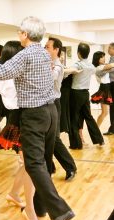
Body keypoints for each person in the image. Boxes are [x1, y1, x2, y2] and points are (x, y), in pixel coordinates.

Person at [0, 16, 75, 220]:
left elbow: (1, 71)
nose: (18, 34)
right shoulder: (42, 53)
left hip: (34, 114)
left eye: (20, 31)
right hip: (50, 111)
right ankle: (40, 208)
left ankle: (59, 210)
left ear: (25, 34)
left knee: (34, 163)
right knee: (43, 163)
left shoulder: (27, 53)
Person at [0, 41, 43, 220]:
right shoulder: (9, 75)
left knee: (28, 165)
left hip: (20, 119)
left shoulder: (6, 74)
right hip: (21, 121)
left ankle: (14, 194)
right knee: (31, 166)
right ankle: (29, 210)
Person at [45, 37, 77, 181]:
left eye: (47, 47)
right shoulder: (49, 64)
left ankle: (70, 167)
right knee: (46, 139)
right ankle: (48, 168)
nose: (45, 49)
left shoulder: (57, 67)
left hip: (54, 104)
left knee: (54, 139)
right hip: (45, 105)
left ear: (56, 50)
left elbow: (51, 77)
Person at [68, 43, 104, 149]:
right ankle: (99, 140)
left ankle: (76, 144)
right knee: (89, 117)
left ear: (78, 53)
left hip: (76, 94)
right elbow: (97, 69)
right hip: (85, 94)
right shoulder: (91, 66)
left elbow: (69, 72)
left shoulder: (77, 65)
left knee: (74, 119)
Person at [91, 51, 114, 127]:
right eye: (102, 57)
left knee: (105, 112)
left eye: (104, 56)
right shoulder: (99, 67)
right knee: (104, 112)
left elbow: (110, 68)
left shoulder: (102, 66)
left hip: (106, 89)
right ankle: (96, 128)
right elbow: (111, 66)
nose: (104, 58)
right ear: (97, 58)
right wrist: (109, 65)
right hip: (104, 90)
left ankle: (96, 128)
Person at [104, 43, 114, 135]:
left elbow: (110, 68)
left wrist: (105, 67)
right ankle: (112, 128)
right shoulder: (111, 58)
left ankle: (112, 129)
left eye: (110, 48)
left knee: (112, 106)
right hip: (111, 83)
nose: (108, 50)